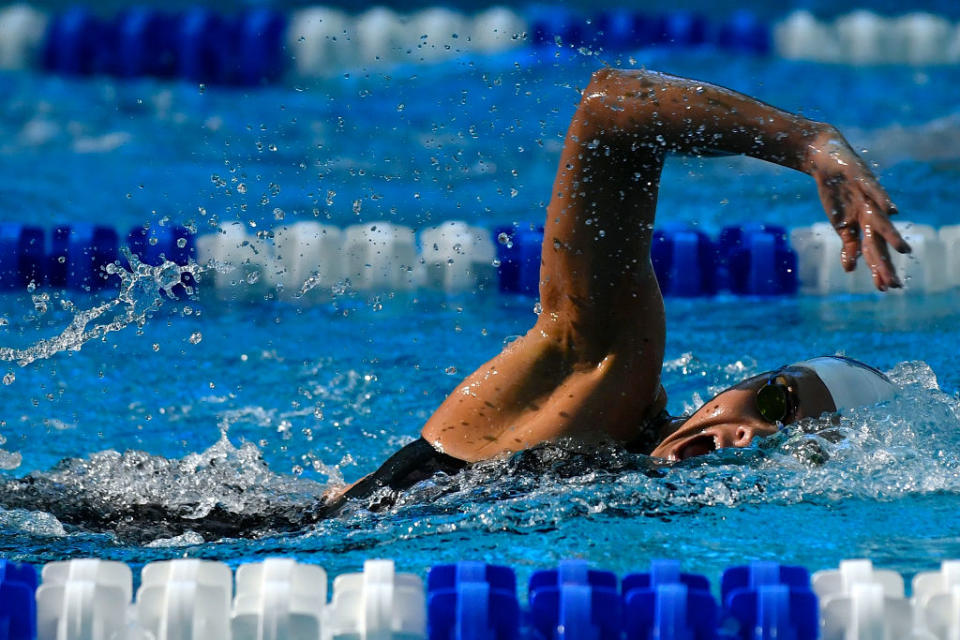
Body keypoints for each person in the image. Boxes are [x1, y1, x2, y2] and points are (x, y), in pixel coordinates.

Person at [332, 67, 910, 508]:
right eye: (774, 402)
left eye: (793, 448)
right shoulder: (601, 383)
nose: (751, 434)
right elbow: (611, 110)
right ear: (734, 387)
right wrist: (807, 143)